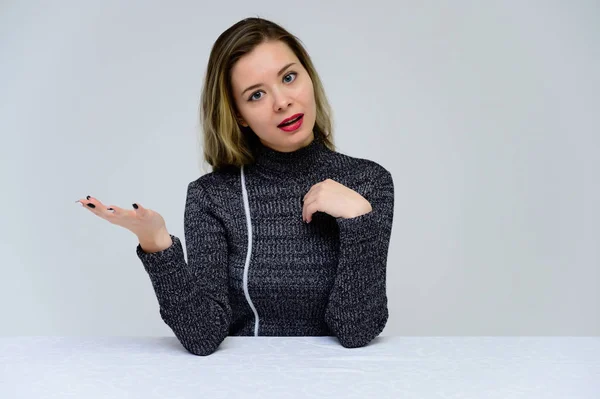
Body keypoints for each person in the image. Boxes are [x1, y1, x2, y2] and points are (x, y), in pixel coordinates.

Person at [77, 17, 395, 356]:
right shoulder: (212, 197)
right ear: (239, 114)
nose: (282, 101)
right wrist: (156, 243)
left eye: (289, 77)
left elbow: (357, 329)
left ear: (309, 77)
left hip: (341, 382)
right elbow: (203, 337)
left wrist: (360, 220)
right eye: (256, 95)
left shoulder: (368, 183)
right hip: (243, 382)